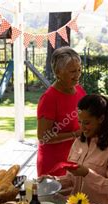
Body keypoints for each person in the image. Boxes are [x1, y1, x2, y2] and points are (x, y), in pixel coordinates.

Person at [42, 94, 108, 204]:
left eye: (86, 123)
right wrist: (52, 180)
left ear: (101, 119)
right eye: (79, 122)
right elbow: (71, 180)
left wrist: (87, 174)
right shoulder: (78, 142)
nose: (82, 128)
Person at [37, 46, 86, 177]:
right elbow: (43, 137)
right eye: (72, 71)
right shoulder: (49, 98)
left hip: (75, 159)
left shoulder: (80, 91)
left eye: (79, 70)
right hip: (53, 164)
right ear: (58, 72)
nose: (77, 75)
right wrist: (75, 134)